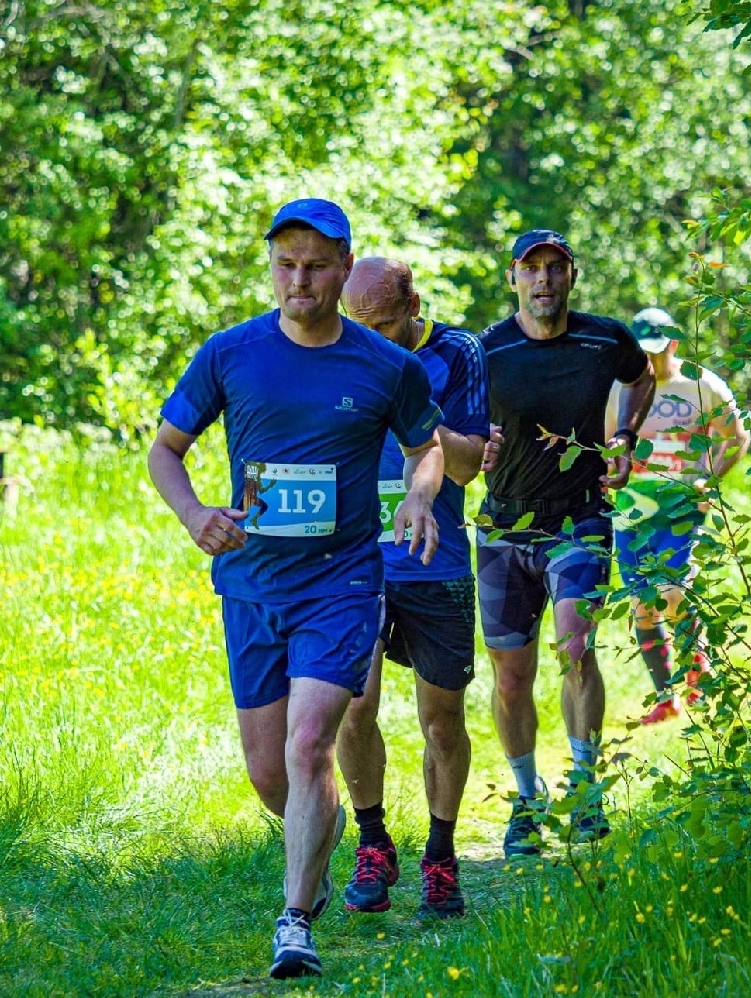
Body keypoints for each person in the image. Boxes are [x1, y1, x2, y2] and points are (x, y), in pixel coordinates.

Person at [147, 199, 445, 979]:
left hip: (341, 582)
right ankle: (332, 835)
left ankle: (294, 921)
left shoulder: (388, 366)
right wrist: (193, 514)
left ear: (346, 270)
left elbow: (427, 449)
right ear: (272, 267)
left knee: (309, 743)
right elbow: (165, 451)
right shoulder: (231, 353)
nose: (299, 280)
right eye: (286, 264)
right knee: (269, 772)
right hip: (252, 584)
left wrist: (418, 494)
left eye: (316, 265)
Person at [476, 229, 656, 858]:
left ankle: (586, 790)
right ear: (514, 279)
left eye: (556, 269)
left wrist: (626, 436)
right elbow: (444, 419)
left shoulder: (605, 338)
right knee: (510, 674)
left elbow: (642, 378)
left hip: (580, 517)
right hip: (502, 525)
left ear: (572, 277)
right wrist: (476, 446)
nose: (544, 281)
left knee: (576, 645)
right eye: (532, 270)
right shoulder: (486, 350)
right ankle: (527, 801)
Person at [336, 258, 489, 919]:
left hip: (438, 561)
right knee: (352, 704)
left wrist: (410, 410)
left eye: (385, 324)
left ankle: (441, 855)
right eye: (358, 323)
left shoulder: (458, 353)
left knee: (442, 723)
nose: (371, 336)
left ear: (415, 305)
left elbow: (469, 463)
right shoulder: (333, 348)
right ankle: (373, 844)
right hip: (355, 560)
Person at [606, 307, 750, 723]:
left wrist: (709, 479)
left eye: (659, 349)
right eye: (644, 351)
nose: (652, 360)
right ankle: (665, 697)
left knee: (673, 592)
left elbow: (737, 436)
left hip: (683, 505)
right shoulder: (621, 387)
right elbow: (608, 444)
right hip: (633, 508)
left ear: (674, 343)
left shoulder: (701, 384)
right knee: (640, 603)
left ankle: (697, 677)